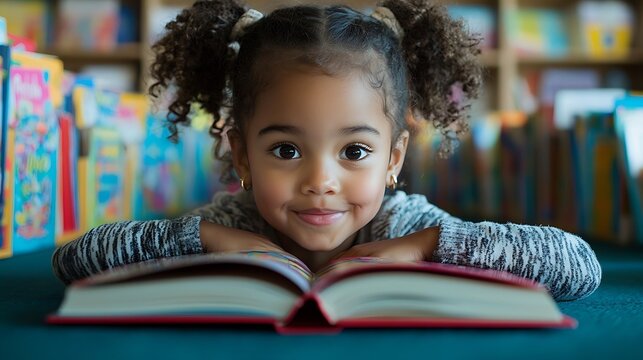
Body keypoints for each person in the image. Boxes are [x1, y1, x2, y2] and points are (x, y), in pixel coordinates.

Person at [52, 0, 601, 301]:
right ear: (241, 156)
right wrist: (213, 237)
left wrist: (426, 245)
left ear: (394, 158)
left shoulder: (404, 223)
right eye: (286, 150)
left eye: (355, 151)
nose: (321, 180)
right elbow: (75, 260)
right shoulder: (232, 220)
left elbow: (579, 268)